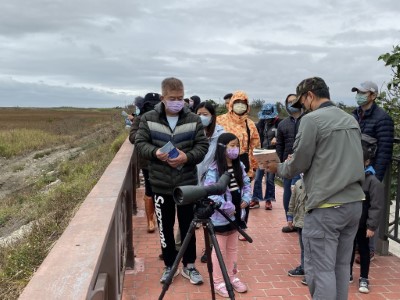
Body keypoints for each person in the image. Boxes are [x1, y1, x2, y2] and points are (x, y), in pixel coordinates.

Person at [266, 77, 365, 300]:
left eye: (303, 102)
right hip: (354, 204)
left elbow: (297, 164)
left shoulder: (312, 120)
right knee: (341, 267)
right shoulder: (349, 118)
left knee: (320, 271)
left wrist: (277, 167)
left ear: (309, 95)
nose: (303, 108)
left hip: (326, 207)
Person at [135, 77, 209, 284]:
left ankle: (189, 266)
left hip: (187, 185)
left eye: (181, 98)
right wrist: (155, 152)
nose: (177, 102)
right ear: (163, 98)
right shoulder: (149, 118)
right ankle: (169, 265)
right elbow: (140, 143)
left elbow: (202, 146)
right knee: (165, 227)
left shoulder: (193, 119)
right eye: (172, 98)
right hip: (160, 184)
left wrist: (187, 157)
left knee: (188, 227)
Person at [203, 132, 251, 298]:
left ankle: (232, 277)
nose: (235, 149)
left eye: (236, 145)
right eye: (232, 145)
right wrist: (225, 205)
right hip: (220, 217)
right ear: (222, 148)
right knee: (219, 250)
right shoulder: (214, 169)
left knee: (232, 248)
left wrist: (246, 198)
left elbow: (246, 184)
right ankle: (218, 281)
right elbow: (210, 191)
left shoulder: (240, 166)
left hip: (237, 215)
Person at [351, 80, 394, 262]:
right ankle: (355, 246)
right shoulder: (354, 115)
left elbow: (385, 150)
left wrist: (375, 176)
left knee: (370, 208)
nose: (359, 95)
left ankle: (368, 249)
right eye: (357, 92)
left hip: (371, 171)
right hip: (354, 170)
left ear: (373, 95)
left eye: (363, 92)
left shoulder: (383, 118)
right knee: (356, 209)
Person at [217, 91, 260, 241]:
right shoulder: (220, 120)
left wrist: (253, 167)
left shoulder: (250, 124)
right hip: (223, 159)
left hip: (243, 159)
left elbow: (255, 145)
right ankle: (223, 221)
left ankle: (241, 224)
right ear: (231, 104)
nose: (240, 105)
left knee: (243, 191)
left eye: (243, 103)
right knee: (225, 190)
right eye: (237, 102)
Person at [350, 145, 384, 294]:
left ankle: (364, 277)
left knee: (363, 250)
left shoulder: (373, 182)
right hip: (350, 222)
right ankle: (347, 273)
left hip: (364, 224)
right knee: (348, 249)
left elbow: (376, 206)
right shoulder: (350, 178)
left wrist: (371, 226)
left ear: (367, 162)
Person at [195, 101, 225, 262]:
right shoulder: (190, 131)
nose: (201, 117)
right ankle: (181, 246)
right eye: (198, 114)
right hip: (193, 179)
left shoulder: (220, 134)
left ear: (212, 116)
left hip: (211, 180)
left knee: (210, 216)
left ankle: (210, 248)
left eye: (205, 114)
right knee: (189, 216)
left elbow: (221, 158)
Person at [129, 92, 160, 233]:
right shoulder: (139, 119)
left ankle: (160, 218)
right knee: (149, 189)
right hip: (147, 161)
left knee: (161, 190)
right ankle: (150, 220)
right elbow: (132, 137)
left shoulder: (163, 118)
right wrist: (147, 135)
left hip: (163, 160)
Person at [276, 95, 303, 231]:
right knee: (288, 192)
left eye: (294, 101)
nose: (292, 104)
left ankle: (302, 222)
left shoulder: (308, 120)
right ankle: (290, 221)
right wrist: (280, 164)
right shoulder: (282, 124)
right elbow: (279, 146)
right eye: (289, 102)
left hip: (304, 163)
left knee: (302, 192)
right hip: (288, 163)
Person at [249, 103, 281, 210]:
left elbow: (284, 137)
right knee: (258, 177)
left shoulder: (279, 124)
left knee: (270, 179)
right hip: (261, 153)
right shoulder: (261, 124)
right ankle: (256, 199)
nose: (267, 119)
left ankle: (268, 200)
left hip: (272, 154)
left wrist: (277, 139)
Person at [286, 176, 307, 285]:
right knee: (303, 247)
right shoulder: (298, 183)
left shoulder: (317, 182)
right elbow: (292, 201)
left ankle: (311, 273)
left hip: (311, 222)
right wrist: (290, 216)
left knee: (311, 249)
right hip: (300, 222)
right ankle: (304, 267)